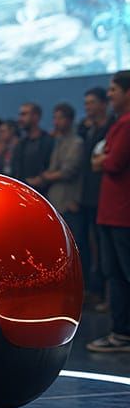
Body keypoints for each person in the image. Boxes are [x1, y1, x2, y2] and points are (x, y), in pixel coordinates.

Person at [88, 73, 130, 352]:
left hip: (121, 215)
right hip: (111, 213)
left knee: (123, 274)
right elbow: (99, 161)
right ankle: (121, 332)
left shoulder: (126, 124)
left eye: (114, 89)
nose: (110, 94)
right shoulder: (119, 124)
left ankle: (123, 332)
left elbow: (111, 162)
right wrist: (101, 160)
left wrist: (102, 159)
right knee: (114, 274)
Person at [77, 86, 112, 300]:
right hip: (88, 196)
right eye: (86, 103)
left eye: (91, 102)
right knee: (88, 245)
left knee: (105, 247)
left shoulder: (111, 127)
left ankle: (105, 294)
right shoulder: (86, 129)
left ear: (102, 104)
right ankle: (92, 289)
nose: (87, 107)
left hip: (106, 196)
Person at [40, 103, 83, 228]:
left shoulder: (76, 142)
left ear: (69, 120)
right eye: (55, 118)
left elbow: (69, 171)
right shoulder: (58, 141)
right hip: (56, 200)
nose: (56, 122)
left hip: (69, 200)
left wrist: (45, 177)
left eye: (60, 118)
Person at [11, 102, 54, 189]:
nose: (20, 119)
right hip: (23, 191)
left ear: (36, 116)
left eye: (24, 114)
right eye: (20, 115)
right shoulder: (20, 145)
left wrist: (41, 179)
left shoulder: (49, 141)